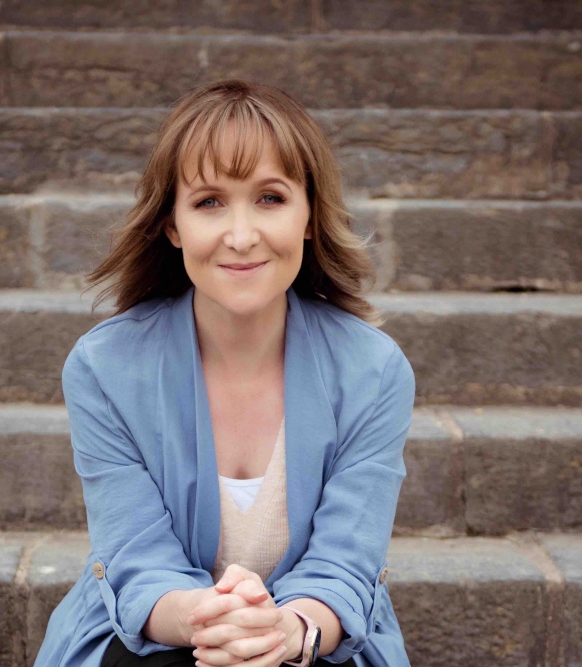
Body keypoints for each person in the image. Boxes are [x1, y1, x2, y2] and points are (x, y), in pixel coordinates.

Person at [33, 79, 415, 667]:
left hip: (316, 639)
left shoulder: (374, 370)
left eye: (270, 198)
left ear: (310, 214)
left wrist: (287, 631)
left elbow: (345, 563)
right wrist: (209, 620)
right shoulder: (104, 368)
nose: (241, 237)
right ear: (172, 224)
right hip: (155, 638)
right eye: (209, 202)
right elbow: (138, 559)